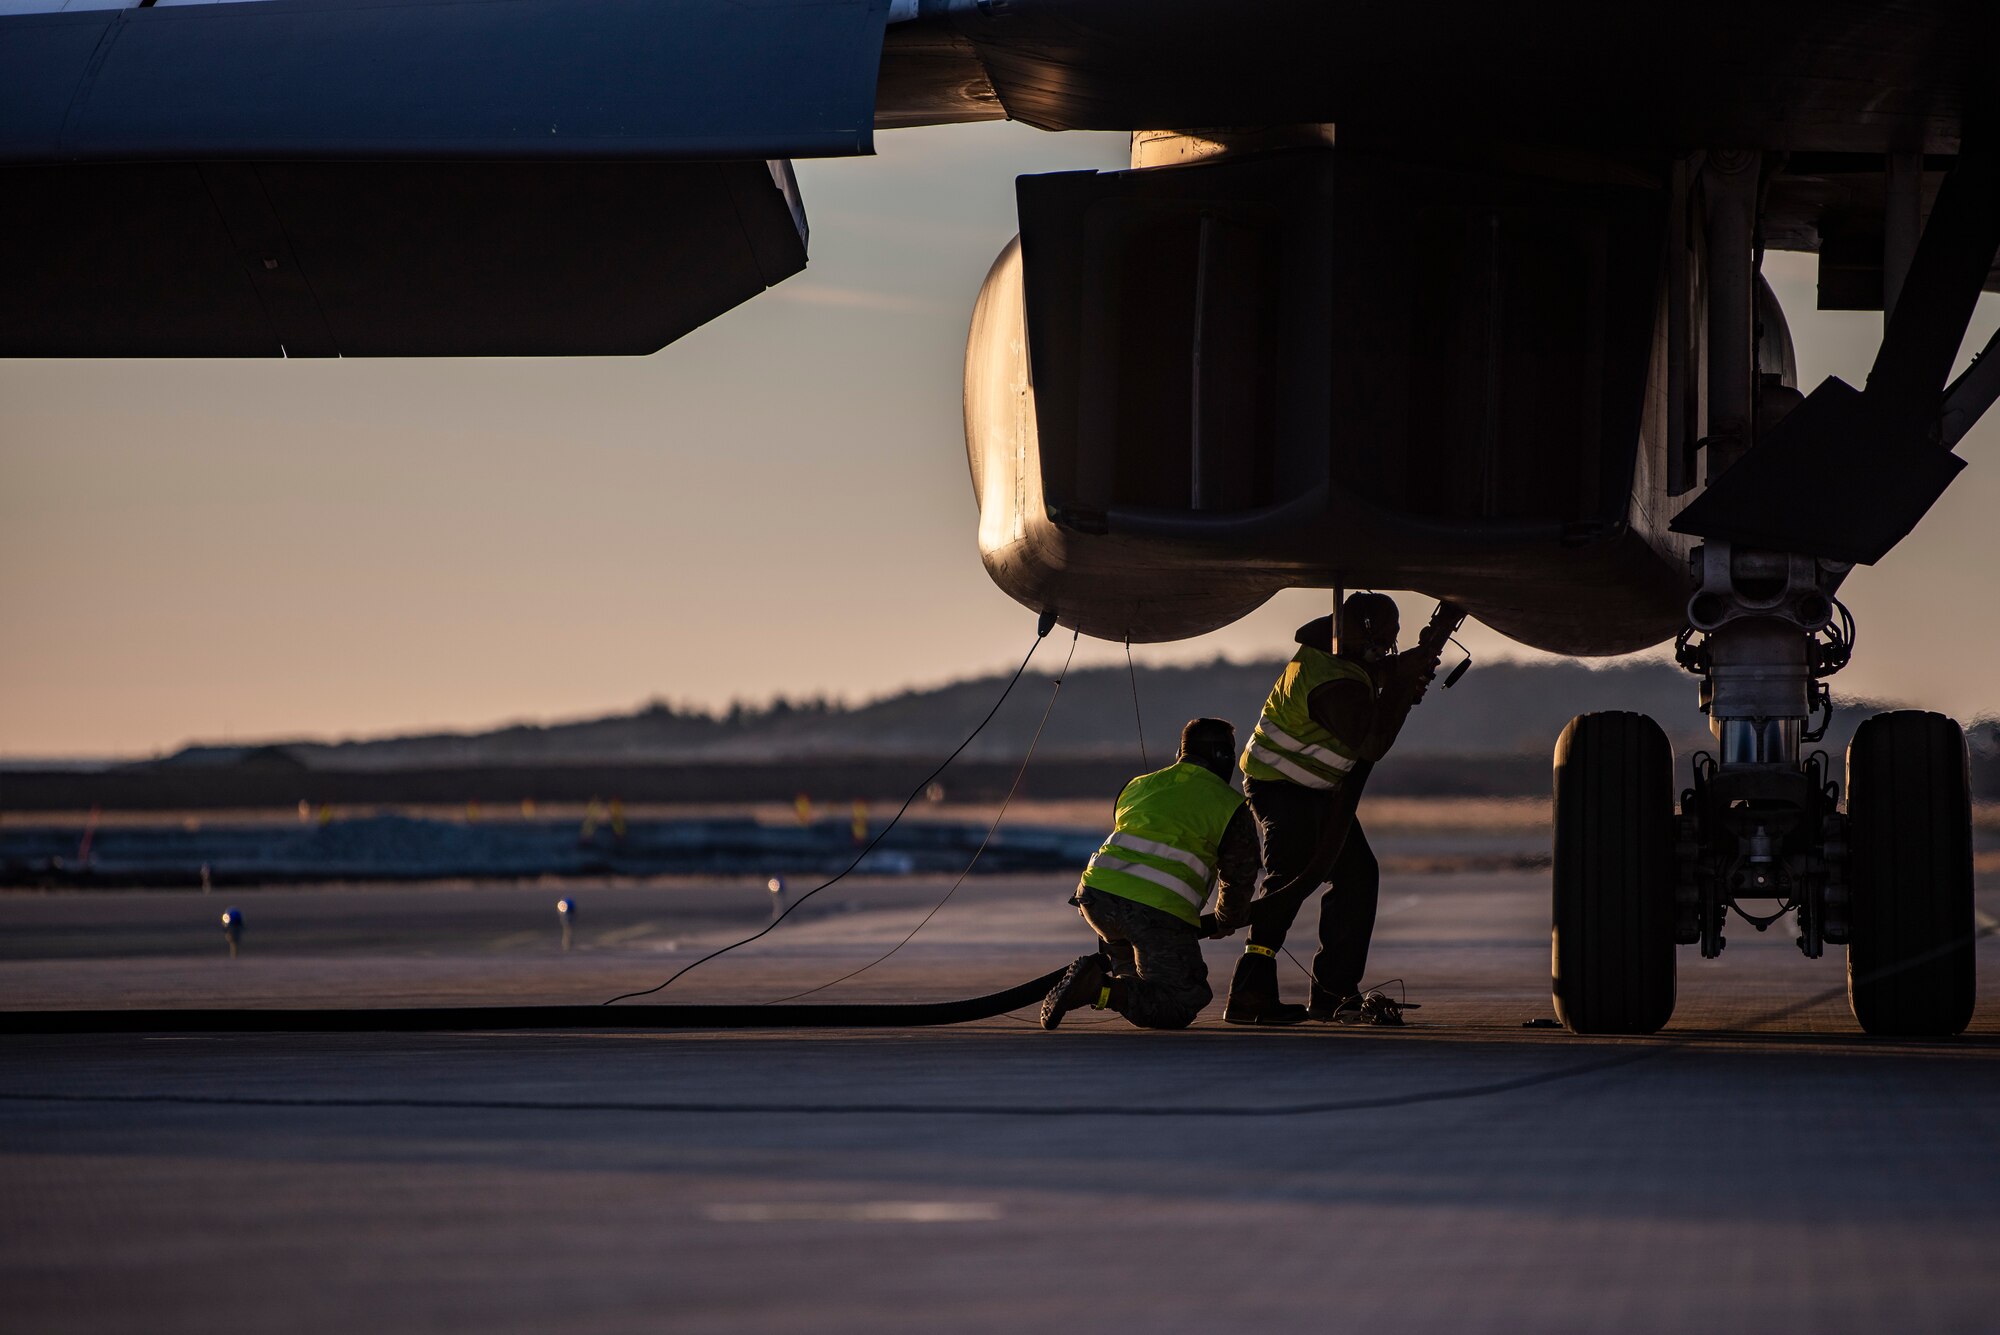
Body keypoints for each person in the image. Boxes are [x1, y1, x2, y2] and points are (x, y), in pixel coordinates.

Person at [1223, 593, 1436, 1025]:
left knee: (1358, 877)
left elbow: (1371, 677)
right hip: (1282, 787)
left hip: (1319, 791)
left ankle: (1334, 993)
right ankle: (1249, 994)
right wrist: (1397, 689)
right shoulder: (1329, 679)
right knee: (1288, 879)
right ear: (1365, 634)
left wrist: (1398, 673)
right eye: (1387, 639)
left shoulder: (1340, 660)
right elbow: (1371, 743)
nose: (1390, 648)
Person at [1040, 717, 1260, 1030]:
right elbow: (1239, 876)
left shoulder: (1138, 785)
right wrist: (1228, 918)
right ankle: (1095, 987)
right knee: (1179, 1001)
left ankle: (1103, 986)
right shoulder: (1230, 805)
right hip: (1153, 912)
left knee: (1139, 989)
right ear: (1224, 757)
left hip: (1096, 899)